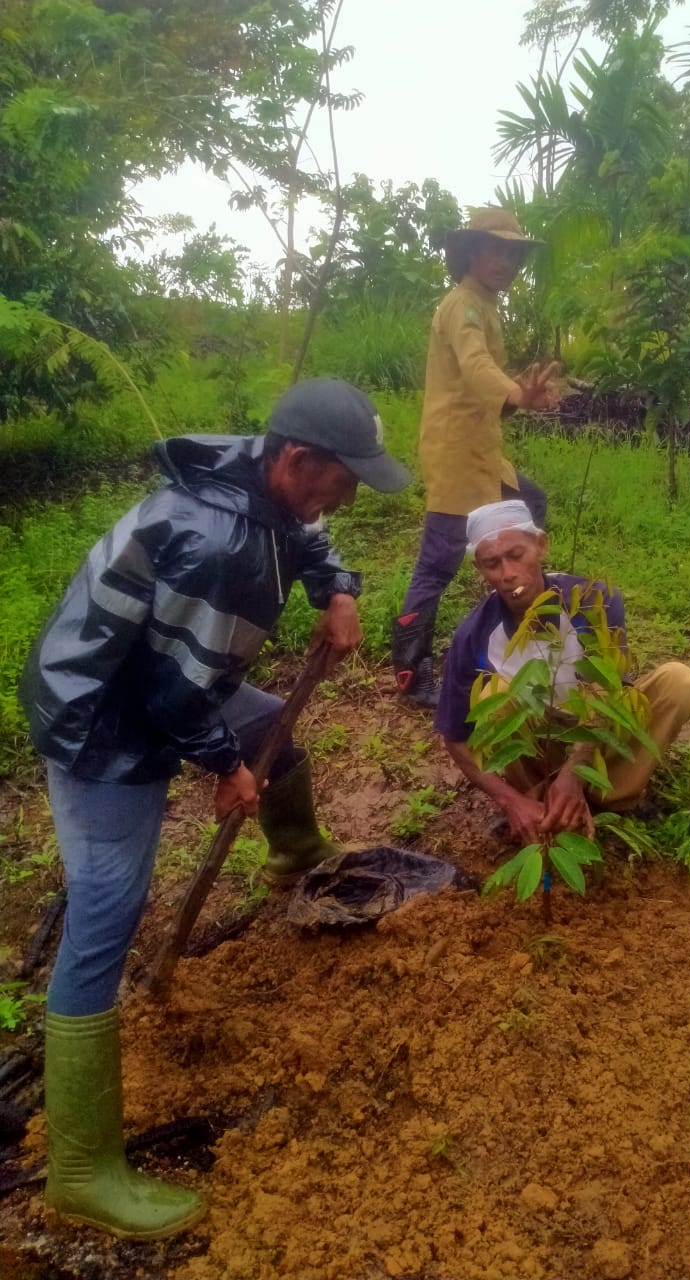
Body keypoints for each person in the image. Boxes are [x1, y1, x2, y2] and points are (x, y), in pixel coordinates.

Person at [17, 378, 410, 1239]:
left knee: (276, 727)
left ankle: (296, 855)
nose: (345, 495)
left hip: (152, 682)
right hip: (102, 720)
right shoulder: (220, 544)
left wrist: (337, 587)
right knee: (106, 917)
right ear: (298, 459)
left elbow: (309, 535)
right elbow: (173, 696)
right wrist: (224, 769)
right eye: (343, 478)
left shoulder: (256, 472)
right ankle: (83, 1169)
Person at [435, 500, 690, 843]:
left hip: (595, 730)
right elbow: (455, 737)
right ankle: (537, 802)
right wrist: (509, 800)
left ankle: (612, 798)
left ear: (541, 545)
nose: (507, 573)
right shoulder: (473, 636)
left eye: (517, 555)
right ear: (479, 569)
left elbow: (606, 691)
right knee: (495, 695)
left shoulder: (593, 601)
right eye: (492, 564)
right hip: (537, 743)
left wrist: (573, 774)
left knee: (679, 682)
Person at [391, 206, 561, 709]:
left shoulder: (483, 304)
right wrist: (516, 393)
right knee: (437, 564)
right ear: (469, 253)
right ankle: (409, 671)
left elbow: (481, 385)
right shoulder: (464, 305)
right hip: (456, 455)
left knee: (530, 507)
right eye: (495, 249)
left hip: (482, 452)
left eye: (512, 252)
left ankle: (517, 617)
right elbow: (474, 364)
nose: (505, 260)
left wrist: (514, 398)